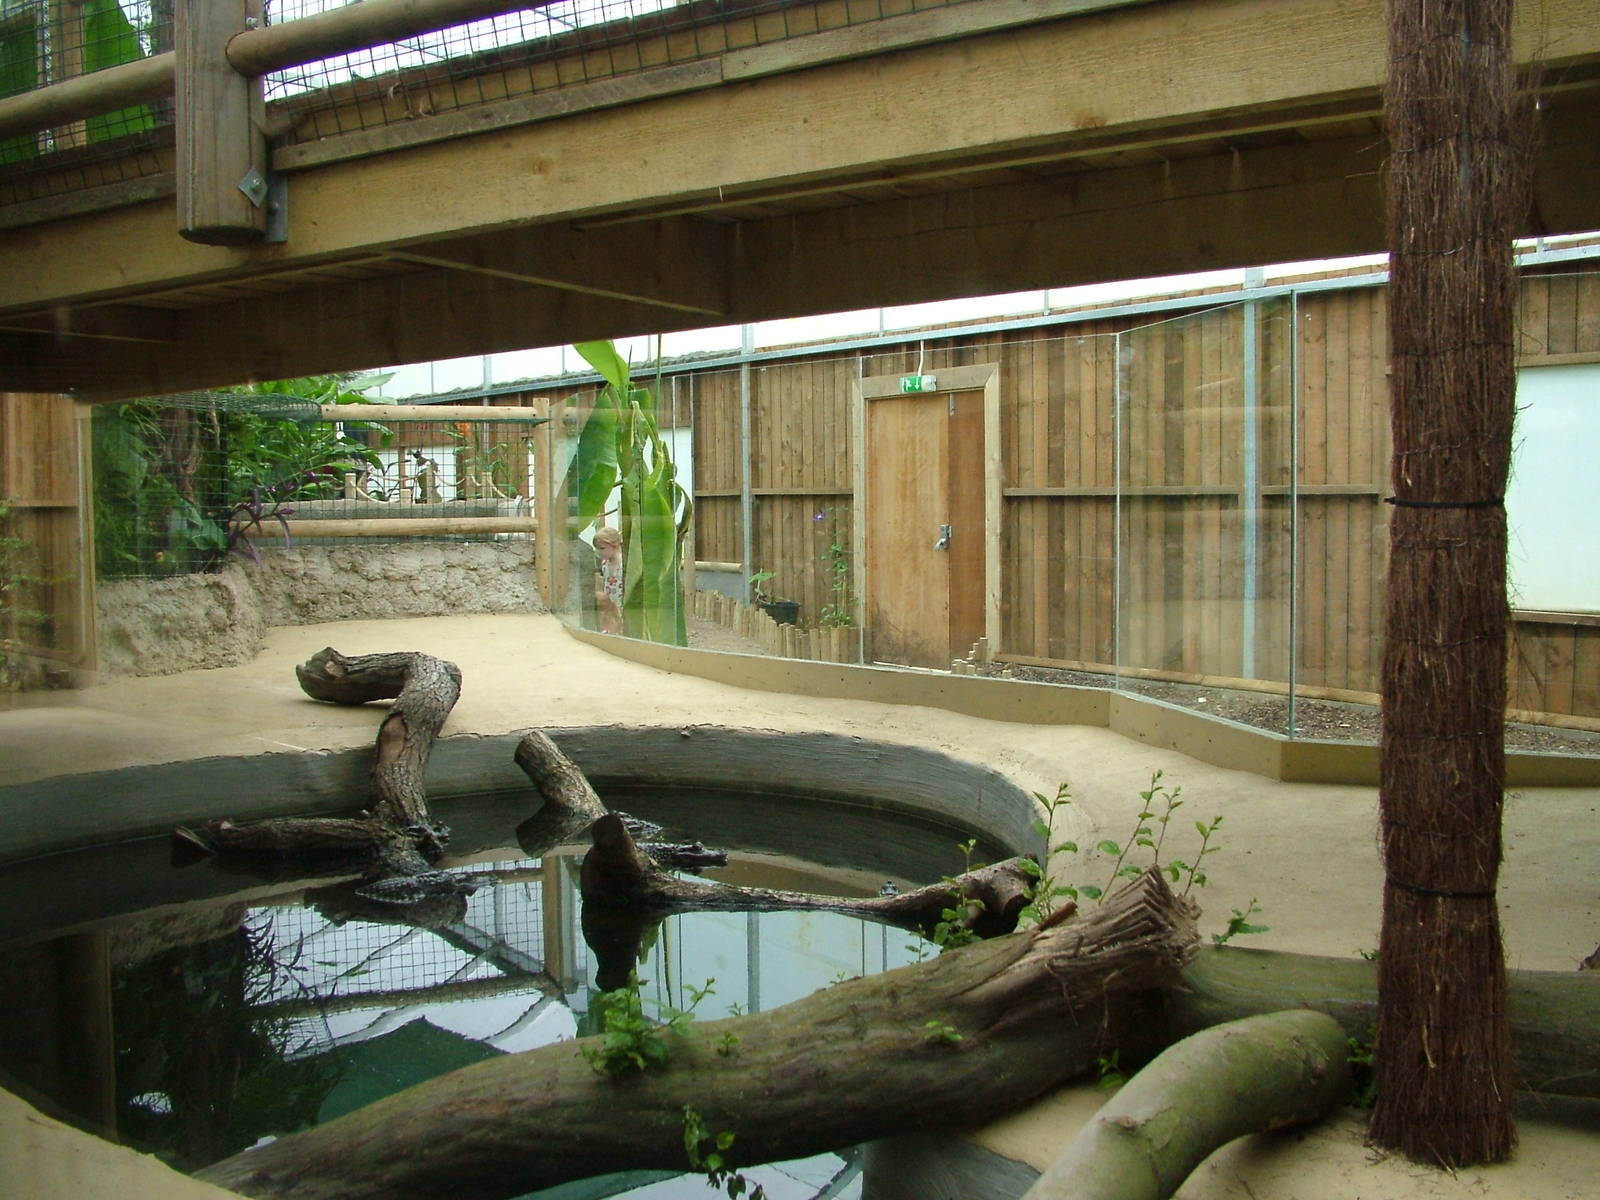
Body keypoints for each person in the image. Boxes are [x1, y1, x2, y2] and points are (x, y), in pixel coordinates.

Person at [593, 525, 624, 634]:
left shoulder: (623, 563)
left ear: (614, 545)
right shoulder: (605, 564)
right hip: (609, 608)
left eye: (603, 548)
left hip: (623, 606)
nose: (600, 552)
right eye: (598, 549)